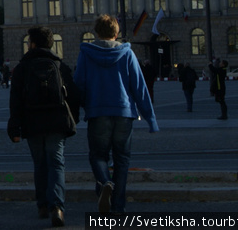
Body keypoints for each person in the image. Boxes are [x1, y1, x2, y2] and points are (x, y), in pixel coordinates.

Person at [74, 14, 158, 214]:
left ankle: (104, 183)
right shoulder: (127, 54)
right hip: (124, 113)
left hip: (97, 113)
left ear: (96, 32)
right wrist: (151, 119)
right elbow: (139, 87)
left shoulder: (86, 53)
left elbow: (79, 85)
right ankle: (118, 206)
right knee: (122, 161)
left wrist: (80, 110)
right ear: (116, 32)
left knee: (98, 156)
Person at [8, 26, 81, 227]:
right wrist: (72, 119)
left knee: (39, 164)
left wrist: (14, 128)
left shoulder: (22, 68)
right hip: (56, 122)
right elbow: (73, 96)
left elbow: (15, 101)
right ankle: (57, 206)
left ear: (32, 44)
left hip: (32, 123)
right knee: (56, 163)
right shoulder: (59, 65)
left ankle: (42, 205)